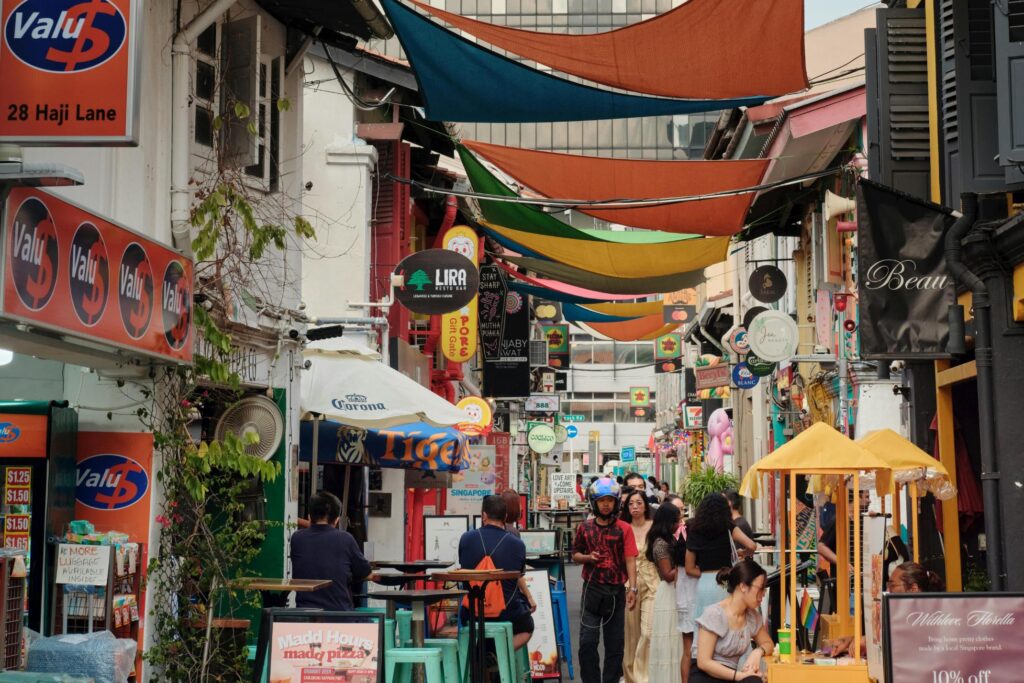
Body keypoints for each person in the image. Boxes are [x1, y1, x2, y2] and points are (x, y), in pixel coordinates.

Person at [572, 476, 638, 683]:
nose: (606, 504)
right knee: (587, 642)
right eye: (602, 500)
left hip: (617, 592)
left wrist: (632, 589)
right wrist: (588, 558)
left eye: (610, 500)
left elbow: (630, 560)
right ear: (594, 503)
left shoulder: (624, 529)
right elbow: (575, 555)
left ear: (616, 502)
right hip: (591, 591)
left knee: (615, 644)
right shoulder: (585, 528)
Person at [458, 494, 535, 650]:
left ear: (484, 515)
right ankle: (499, 655)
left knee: (466, 613)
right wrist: (529, 596)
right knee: (527, 627)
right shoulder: (517, 544)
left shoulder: (466, 539)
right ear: (505, 517)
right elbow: (518, 576)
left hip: (472, 613)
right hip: (506, 613)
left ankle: (485, 653)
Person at [685, 493, 756, 658]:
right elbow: (752, 545)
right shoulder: (729, 528)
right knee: (730, 622)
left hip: (705, 583)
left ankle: (706, 661)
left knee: (706, 626)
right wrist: (742, 553)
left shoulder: (695, 530)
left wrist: (704, 573)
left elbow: (689, 568)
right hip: (725, 581)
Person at [691, 559, 774, 683]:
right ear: (743, 586)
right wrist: (740, 676)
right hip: (706, 676)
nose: (763, 594)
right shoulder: (715, 614)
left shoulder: (752, 617)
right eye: (760, 588)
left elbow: (768, 643)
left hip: (731, 676)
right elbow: (703, 662)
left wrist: (757, 652)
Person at [290, 491, 372, 610]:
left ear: (309, 517)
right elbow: (366, 572)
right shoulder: (345, 539)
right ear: (337, 520)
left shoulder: (297, 538)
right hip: (339, 616)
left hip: (306, 615)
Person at [647, 501, 684, 683]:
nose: (679, 524)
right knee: (670, 639)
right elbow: (668, 575)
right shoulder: (660, 543)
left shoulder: (669, 539)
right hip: (669, 593)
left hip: (674, 592)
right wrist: (686, 566)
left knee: (675, 640)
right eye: (677, 520)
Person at [621, 490, 656, 683]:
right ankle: (630, 677)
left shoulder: (654, 527)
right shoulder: (624, 528)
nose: (635, 506)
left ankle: (644, 678)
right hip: (630, 584)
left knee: (648, 632)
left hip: (653, 582)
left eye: (639, 503)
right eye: (631, 504)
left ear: (645, 505)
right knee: (631, 635)